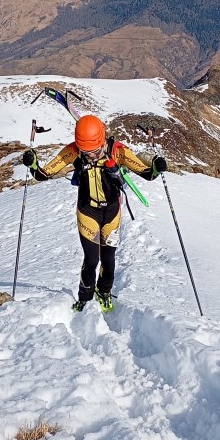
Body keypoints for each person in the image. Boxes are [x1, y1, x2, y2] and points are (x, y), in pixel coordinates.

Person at [22, 114, 166, 312]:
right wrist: (32, 164)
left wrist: (157, 168)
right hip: (87, 211)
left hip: (111, 212)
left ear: (102, 140)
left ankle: (104, 292)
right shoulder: (74, 151)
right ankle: (84, 299)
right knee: (91, 260)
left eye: (94, 150)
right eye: (85, 151)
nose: (90, 155)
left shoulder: (118, 151)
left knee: (109, 260)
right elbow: (44, 174)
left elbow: (147, 173)